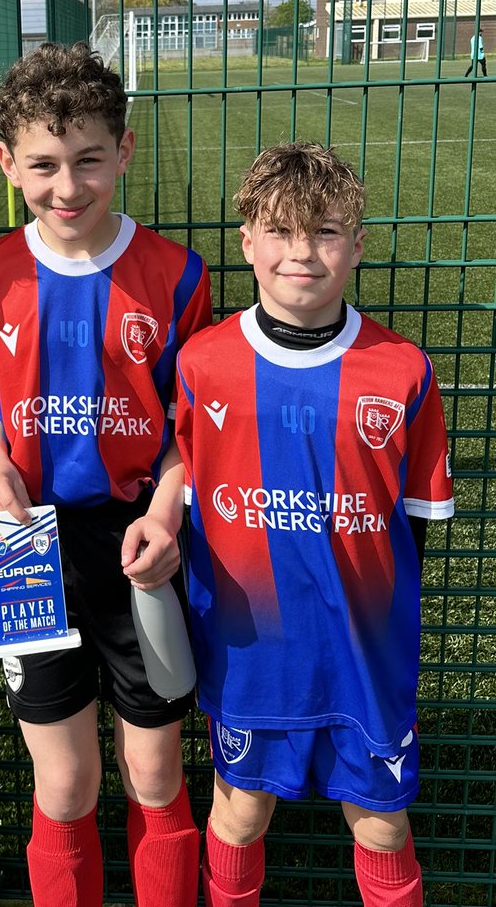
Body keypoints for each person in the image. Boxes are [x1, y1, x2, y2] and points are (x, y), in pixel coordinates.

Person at [0, 41, 212, 907]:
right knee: (63, 782)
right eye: (43, 165)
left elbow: (187, 432)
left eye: (88, 160)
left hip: (138, 538)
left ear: (125, 150)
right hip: (24, 544)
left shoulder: (176, 277)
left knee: (153, 766)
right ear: (7, 163)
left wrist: (168, 516)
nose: (67, 187)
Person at [175, 142, 454, 907]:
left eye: (327, 231)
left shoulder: (403, 369)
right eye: (281, 231)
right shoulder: (203, 364)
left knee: (383, 827)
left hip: (363, 655)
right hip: (252, 653)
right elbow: (188, 495)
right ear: (247, 242)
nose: (303, 253)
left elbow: (417, 529)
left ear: (358, 245)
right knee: (239, 813)